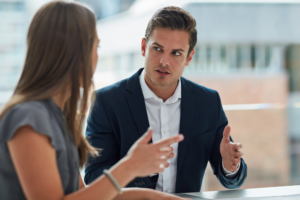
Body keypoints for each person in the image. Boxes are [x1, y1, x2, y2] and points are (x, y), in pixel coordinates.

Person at [0, 1, 191, 200]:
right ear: (72, 52)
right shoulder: (28, 117)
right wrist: (130, 166)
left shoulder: (56, 116)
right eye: (96, 46)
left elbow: (83, 195)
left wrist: (152, 197)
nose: (97, 57)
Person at [85, 6, 247, 193]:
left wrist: (229, 167)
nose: (164, 61)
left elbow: (231, 180)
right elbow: (93, 176)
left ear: (189, 57)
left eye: (176, 53)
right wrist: (138, 168)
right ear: (144, 47)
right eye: (157, 49)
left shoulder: (208, 102)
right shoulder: (106, 102)